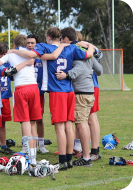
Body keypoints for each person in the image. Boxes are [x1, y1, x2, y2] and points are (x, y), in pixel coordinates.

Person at [7, 27, 95, 169]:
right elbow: (89, 54)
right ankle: (68, 159)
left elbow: (30, 53)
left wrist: (13, 50)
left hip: (56, 91)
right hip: (70, 90)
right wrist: (88, 44)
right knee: (69, 125)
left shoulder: (44, 46)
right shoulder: (71, 47)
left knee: (59, 128)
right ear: (59, 36)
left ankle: (62, 161)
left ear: (47, 36)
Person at [0, 35, 42, 165]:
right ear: (25, 44)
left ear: (14, 45)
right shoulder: (30, 54)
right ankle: (34, 155)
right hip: (34, 88)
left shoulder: (10, 55)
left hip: (22, 89)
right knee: (32, 124)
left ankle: (30, 157)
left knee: (26, 123)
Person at [54, 29, 103, 166]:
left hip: (80, 93)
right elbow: (99, 70)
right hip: (89, 91)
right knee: (85, 123)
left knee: (81, 124)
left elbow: (79, 67)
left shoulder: (75, 50)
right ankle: (88, 153)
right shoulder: (88, 51)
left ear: (65, 38)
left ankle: (86, 157)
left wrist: (67, 75)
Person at [21, 34, 49, 154]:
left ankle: (41, 145)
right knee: (25, 120)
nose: (30, 45)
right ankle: (25, 144)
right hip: (25, 91)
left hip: (38, 93)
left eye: (32, 43)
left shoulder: (42, 57)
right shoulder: (23, 57)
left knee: (39, 119)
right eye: (28, 43)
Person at [0, 42, 15, 155]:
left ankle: (3, 146)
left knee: (3, 123)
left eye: (4, 54)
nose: (2, 56)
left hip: (5, 97)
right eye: (0, 54)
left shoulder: (8, 63)